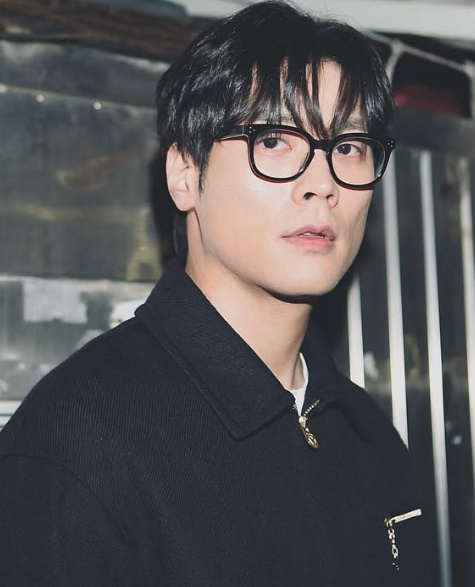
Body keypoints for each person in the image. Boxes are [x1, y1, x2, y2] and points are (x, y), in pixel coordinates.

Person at [0, 2, 439, 585]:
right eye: (275, 139)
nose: (322, 183)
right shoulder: (77, 443)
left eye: (349, 147)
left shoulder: (368, 434)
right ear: (185, 173)